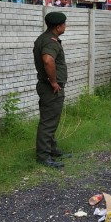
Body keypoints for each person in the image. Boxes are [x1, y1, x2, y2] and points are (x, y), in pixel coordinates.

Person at [33, 12, 68, 169]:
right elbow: (48, 60)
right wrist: (54, 82)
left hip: (47, 87)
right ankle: (43, 156)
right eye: (64, 24)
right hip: (50, 88)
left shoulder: (44, 38)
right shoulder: (50, 42)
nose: (65, 27)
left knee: (51, 120)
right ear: (58, 26)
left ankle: (52, 150)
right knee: (48, 123)